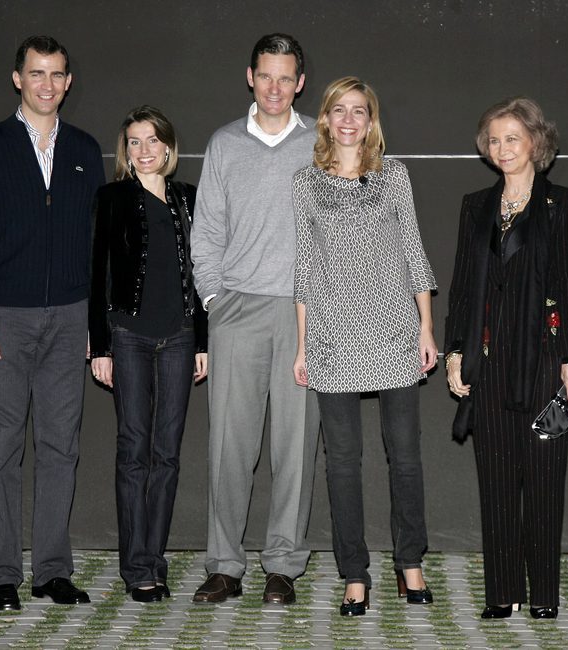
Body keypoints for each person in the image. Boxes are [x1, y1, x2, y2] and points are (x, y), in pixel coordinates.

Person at [0, 35, 104, 611]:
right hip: (3, 321)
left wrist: (95, 323)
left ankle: (53, 571)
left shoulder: (86, 150)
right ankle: (2, 576)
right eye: (36, 73)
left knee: (61, 446)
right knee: (0, 449)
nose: (47, 84)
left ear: (68, 81)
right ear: (18, 78)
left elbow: (95, 248)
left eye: (57, 74)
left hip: (69, 319)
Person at [292, 77, 438, 616]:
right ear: (325, 118)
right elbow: (305, 270)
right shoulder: (304, 183)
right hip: (331, 336)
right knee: (342, 464)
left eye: (359, 111)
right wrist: (304, 347)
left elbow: (414, 252)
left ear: (371, 120)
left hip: (395, 329)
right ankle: (354, 574)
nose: (349, 120)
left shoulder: (394, 175)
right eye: (339, 110)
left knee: (404, 458)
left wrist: (425, 328)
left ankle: (410, 564)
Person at [443, 97, 568, 620]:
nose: (502, 147)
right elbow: (462, 286)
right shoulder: (474, 206)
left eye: (513, 137)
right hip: (488, 365)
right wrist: (455, 353)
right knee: (498, 483)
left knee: (545, 482)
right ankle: (502, 594)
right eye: (494, 139)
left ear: (536, 142)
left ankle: (545, 596)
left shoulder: (564, 204)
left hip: (548, 364)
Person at [189, 33, 319, 605]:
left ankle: (283, 566)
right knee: (229, 446)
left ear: (300, 82)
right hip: (237, 308)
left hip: (303, 313)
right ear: (250, 77)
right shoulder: (224, 144)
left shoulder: (322, 141)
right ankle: (224, 565)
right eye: (265, 75)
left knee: (296, 443)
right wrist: (216, 301)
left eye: (285, 77)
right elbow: (207, 232)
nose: (274, 87)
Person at [89, 106, 208, 603]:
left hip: (179, 336)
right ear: (126, 150)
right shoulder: (112, 197)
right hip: (129, 336)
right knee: (133, 450)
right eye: (134, 142)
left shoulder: (189, 198)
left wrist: (202, 340)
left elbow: (203, 275)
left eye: (152, 140)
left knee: (167, 454)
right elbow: (99, 274)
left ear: (168, 146)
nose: (143, 150)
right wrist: (100, 346)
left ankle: (155, 560)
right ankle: (137, 566)